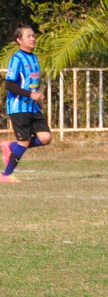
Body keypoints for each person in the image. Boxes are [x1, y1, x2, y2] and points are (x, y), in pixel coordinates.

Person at [2, 24, 51, 183]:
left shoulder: (34, 58)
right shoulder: (17, 59)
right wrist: (31, 94)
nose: (32, 38)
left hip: (32, 107)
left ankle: (11, 146)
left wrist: (38, 97)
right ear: (19, 40)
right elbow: (10, 84)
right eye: (28, 36)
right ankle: (6, 175)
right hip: (19, 107)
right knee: (24, 141)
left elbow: (31, 83)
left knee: (45, 138)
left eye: (33, 36)